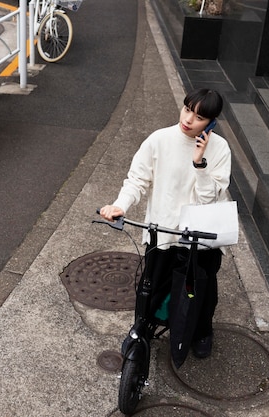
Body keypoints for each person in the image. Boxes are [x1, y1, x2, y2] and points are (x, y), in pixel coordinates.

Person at [99, 88, 231, 359]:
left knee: (200, 294)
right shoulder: (159, 140)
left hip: (200, 239)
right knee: (152, 288)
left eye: (199, 117)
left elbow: (208, 199)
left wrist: (200, 164)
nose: (189, 119)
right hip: (162, 233)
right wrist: (120, 205)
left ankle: (202, 331)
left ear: (212, 122)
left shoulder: (220, 149)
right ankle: (142, 329)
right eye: (187, 110)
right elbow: (137, 180)